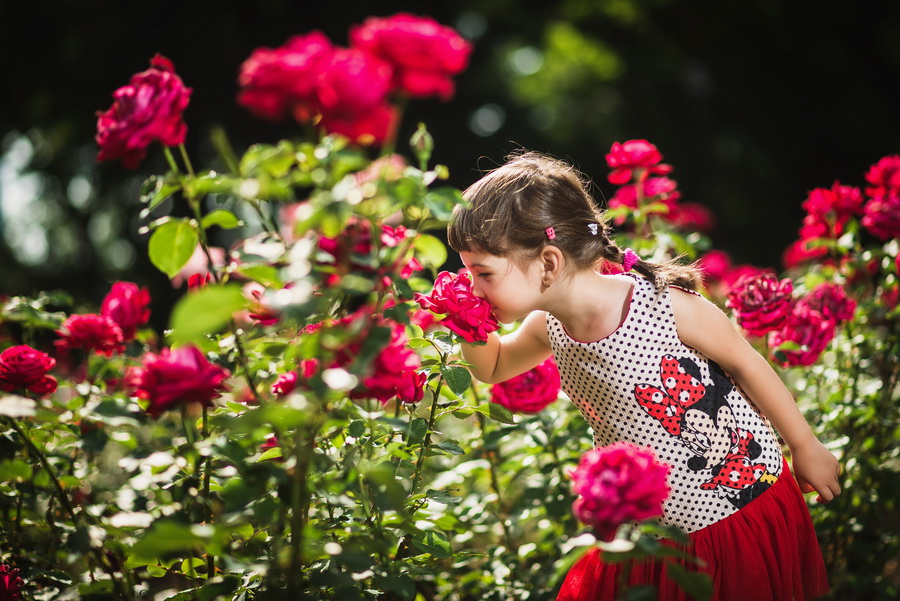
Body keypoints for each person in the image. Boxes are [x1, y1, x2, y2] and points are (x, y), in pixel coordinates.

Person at [447, 151, 841, 601]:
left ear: (549, 263)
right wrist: (465, 319)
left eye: (482, 273)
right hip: (648, 532)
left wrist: (805, 445)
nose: (471, 285)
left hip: (735, 509)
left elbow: (745, 362)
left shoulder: (662, 307)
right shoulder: (546, 325)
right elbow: (494, 366)